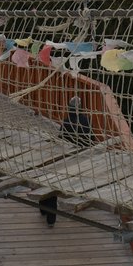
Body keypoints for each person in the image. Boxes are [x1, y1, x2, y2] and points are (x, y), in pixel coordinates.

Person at [40, 96, 93, 227]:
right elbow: (91, 140)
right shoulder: (86, 121)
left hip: (66, 160)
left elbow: (60, 140)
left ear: (69, 108)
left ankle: (47, 214)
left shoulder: (67, 122)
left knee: (50, 183)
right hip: (81, 161)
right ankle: (81, 202)